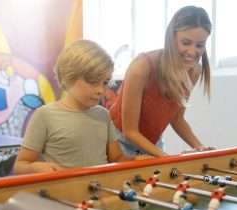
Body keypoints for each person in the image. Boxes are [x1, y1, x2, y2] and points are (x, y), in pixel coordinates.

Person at [14, 40, 146, 175]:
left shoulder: (103, 115)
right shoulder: (45, 115)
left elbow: (117, 158)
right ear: (69, 77)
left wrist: (135, 160)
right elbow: (20, 165)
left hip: (99, 192)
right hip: (62, 193)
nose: (101, 90)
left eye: (105, 82)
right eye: (93, 82)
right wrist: (36, 168)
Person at [109, 6, 213, 157]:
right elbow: (130, 131)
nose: (192, 52)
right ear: (172, 37)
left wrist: (200, 147)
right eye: (186, 43)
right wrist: (166, 158)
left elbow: (177, 119)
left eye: (199, 45)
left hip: (151, 142)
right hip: (119, 142)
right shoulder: (142, 66)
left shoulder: (194, 71)